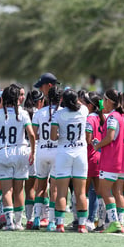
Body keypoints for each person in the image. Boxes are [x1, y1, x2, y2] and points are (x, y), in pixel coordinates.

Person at [0, 85, 36, 231]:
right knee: (19, 190)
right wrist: (33, 152)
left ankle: (9, 223)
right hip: (22, 151)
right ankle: (18, 223)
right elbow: (32, 134)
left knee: (6, 190)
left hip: (4, 152)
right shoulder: (23, 113)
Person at [51, 89, 89, 233]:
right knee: (81, 192)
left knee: (61, 192)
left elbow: (53, 137)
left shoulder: (58, 114)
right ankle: (82, 226)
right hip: (80, 153)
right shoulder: (84, 110)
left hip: (64, 153)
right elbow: (80, 105)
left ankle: (60, 225)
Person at [93, 89, 124, 233]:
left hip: (112, 159)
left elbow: (110, 137)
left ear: (110, 101)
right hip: (122, 159)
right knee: (118, 191)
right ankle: (119, 223)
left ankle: (114, 222)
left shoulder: (113, 117)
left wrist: (97, 145)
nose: (102, 102)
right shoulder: (121, 115)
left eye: (103, 99)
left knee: (104, 190)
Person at [31, 86, 61, 231]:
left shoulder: (39, 113)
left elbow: (34, 134)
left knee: (40, 187)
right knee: (54, 188)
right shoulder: (62, 112)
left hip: (42, 151)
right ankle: (51, 222)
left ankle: (36, 218)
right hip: (56, 151)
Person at [22, 89, 45, 229]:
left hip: (24, 149)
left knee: (28, 187)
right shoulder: (41, 113)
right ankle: (42, 217)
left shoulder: (23, 112)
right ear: (39, 101)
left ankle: (29, 219)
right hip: (37, 149)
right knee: (41, 187)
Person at [83, 91, 104, 231]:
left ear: (90, 105)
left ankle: (86, 220)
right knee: (98, 191)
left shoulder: (89, 118)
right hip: (100, 155)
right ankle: (101, 221)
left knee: (82, 191)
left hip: (90, 156)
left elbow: (87, 139)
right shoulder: (102, 117)